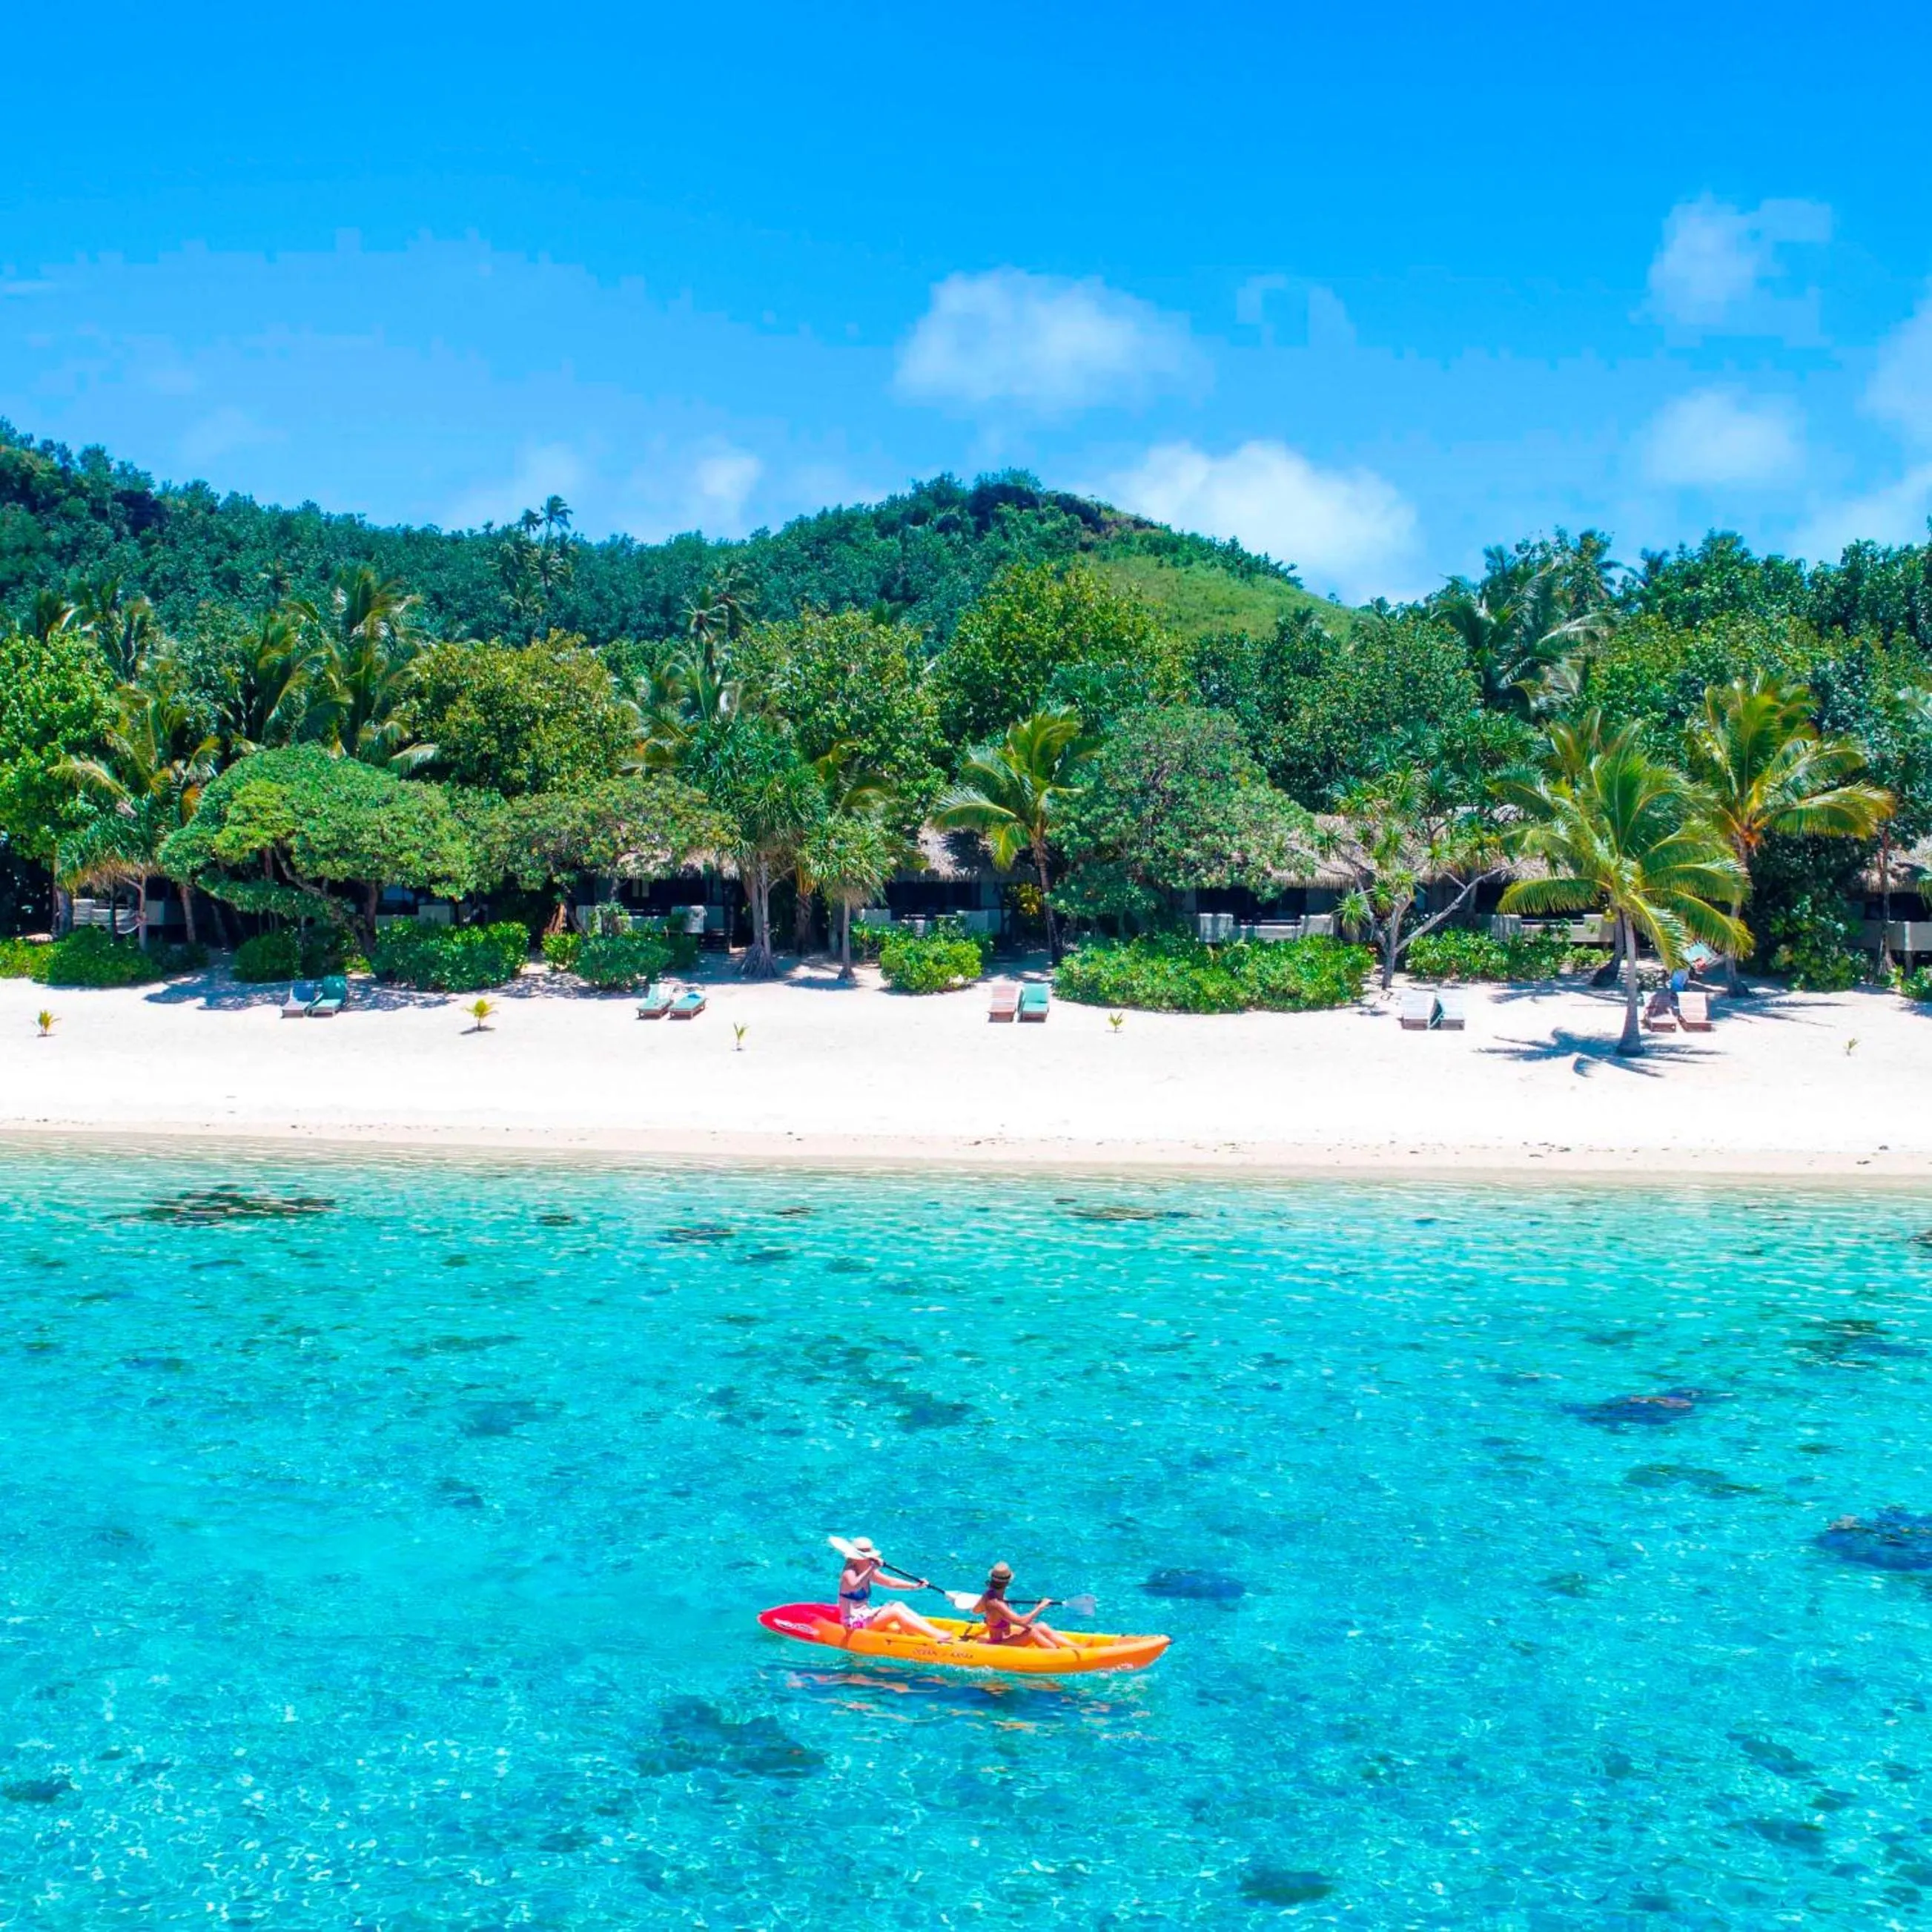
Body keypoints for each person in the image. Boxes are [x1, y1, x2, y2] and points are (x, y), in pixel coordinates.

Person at [836, 1538, 954, 1641]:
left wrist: (914, 1586)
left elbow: (890, 1582)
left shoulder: (868, 1571)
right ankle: (936, 1636)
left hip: (866, 1615)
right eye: (867, 1557)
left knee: (898, 1605)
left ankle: (927, 1631)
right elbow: (855, 1585)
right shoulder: (849, 1573)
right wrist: (871, 1568)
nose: (870, 1559)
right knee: (894, 1612)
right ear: (856, 1558)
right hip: (853, 1624)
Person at [967, 1561, 1073, 1650]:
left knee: (1041, 1626)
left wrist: (992, 1613)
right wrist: (1040, 1607)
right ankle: (1058, 1654)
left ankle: (1078, 1648)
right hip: (998, 1644)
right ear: (1008, 1582)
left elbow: (976, 1611)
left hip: (1007, 1637)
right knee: (1032, 1633)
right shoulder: (998, 1604)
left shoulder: (988, 1596)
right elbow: (1022, 1621)